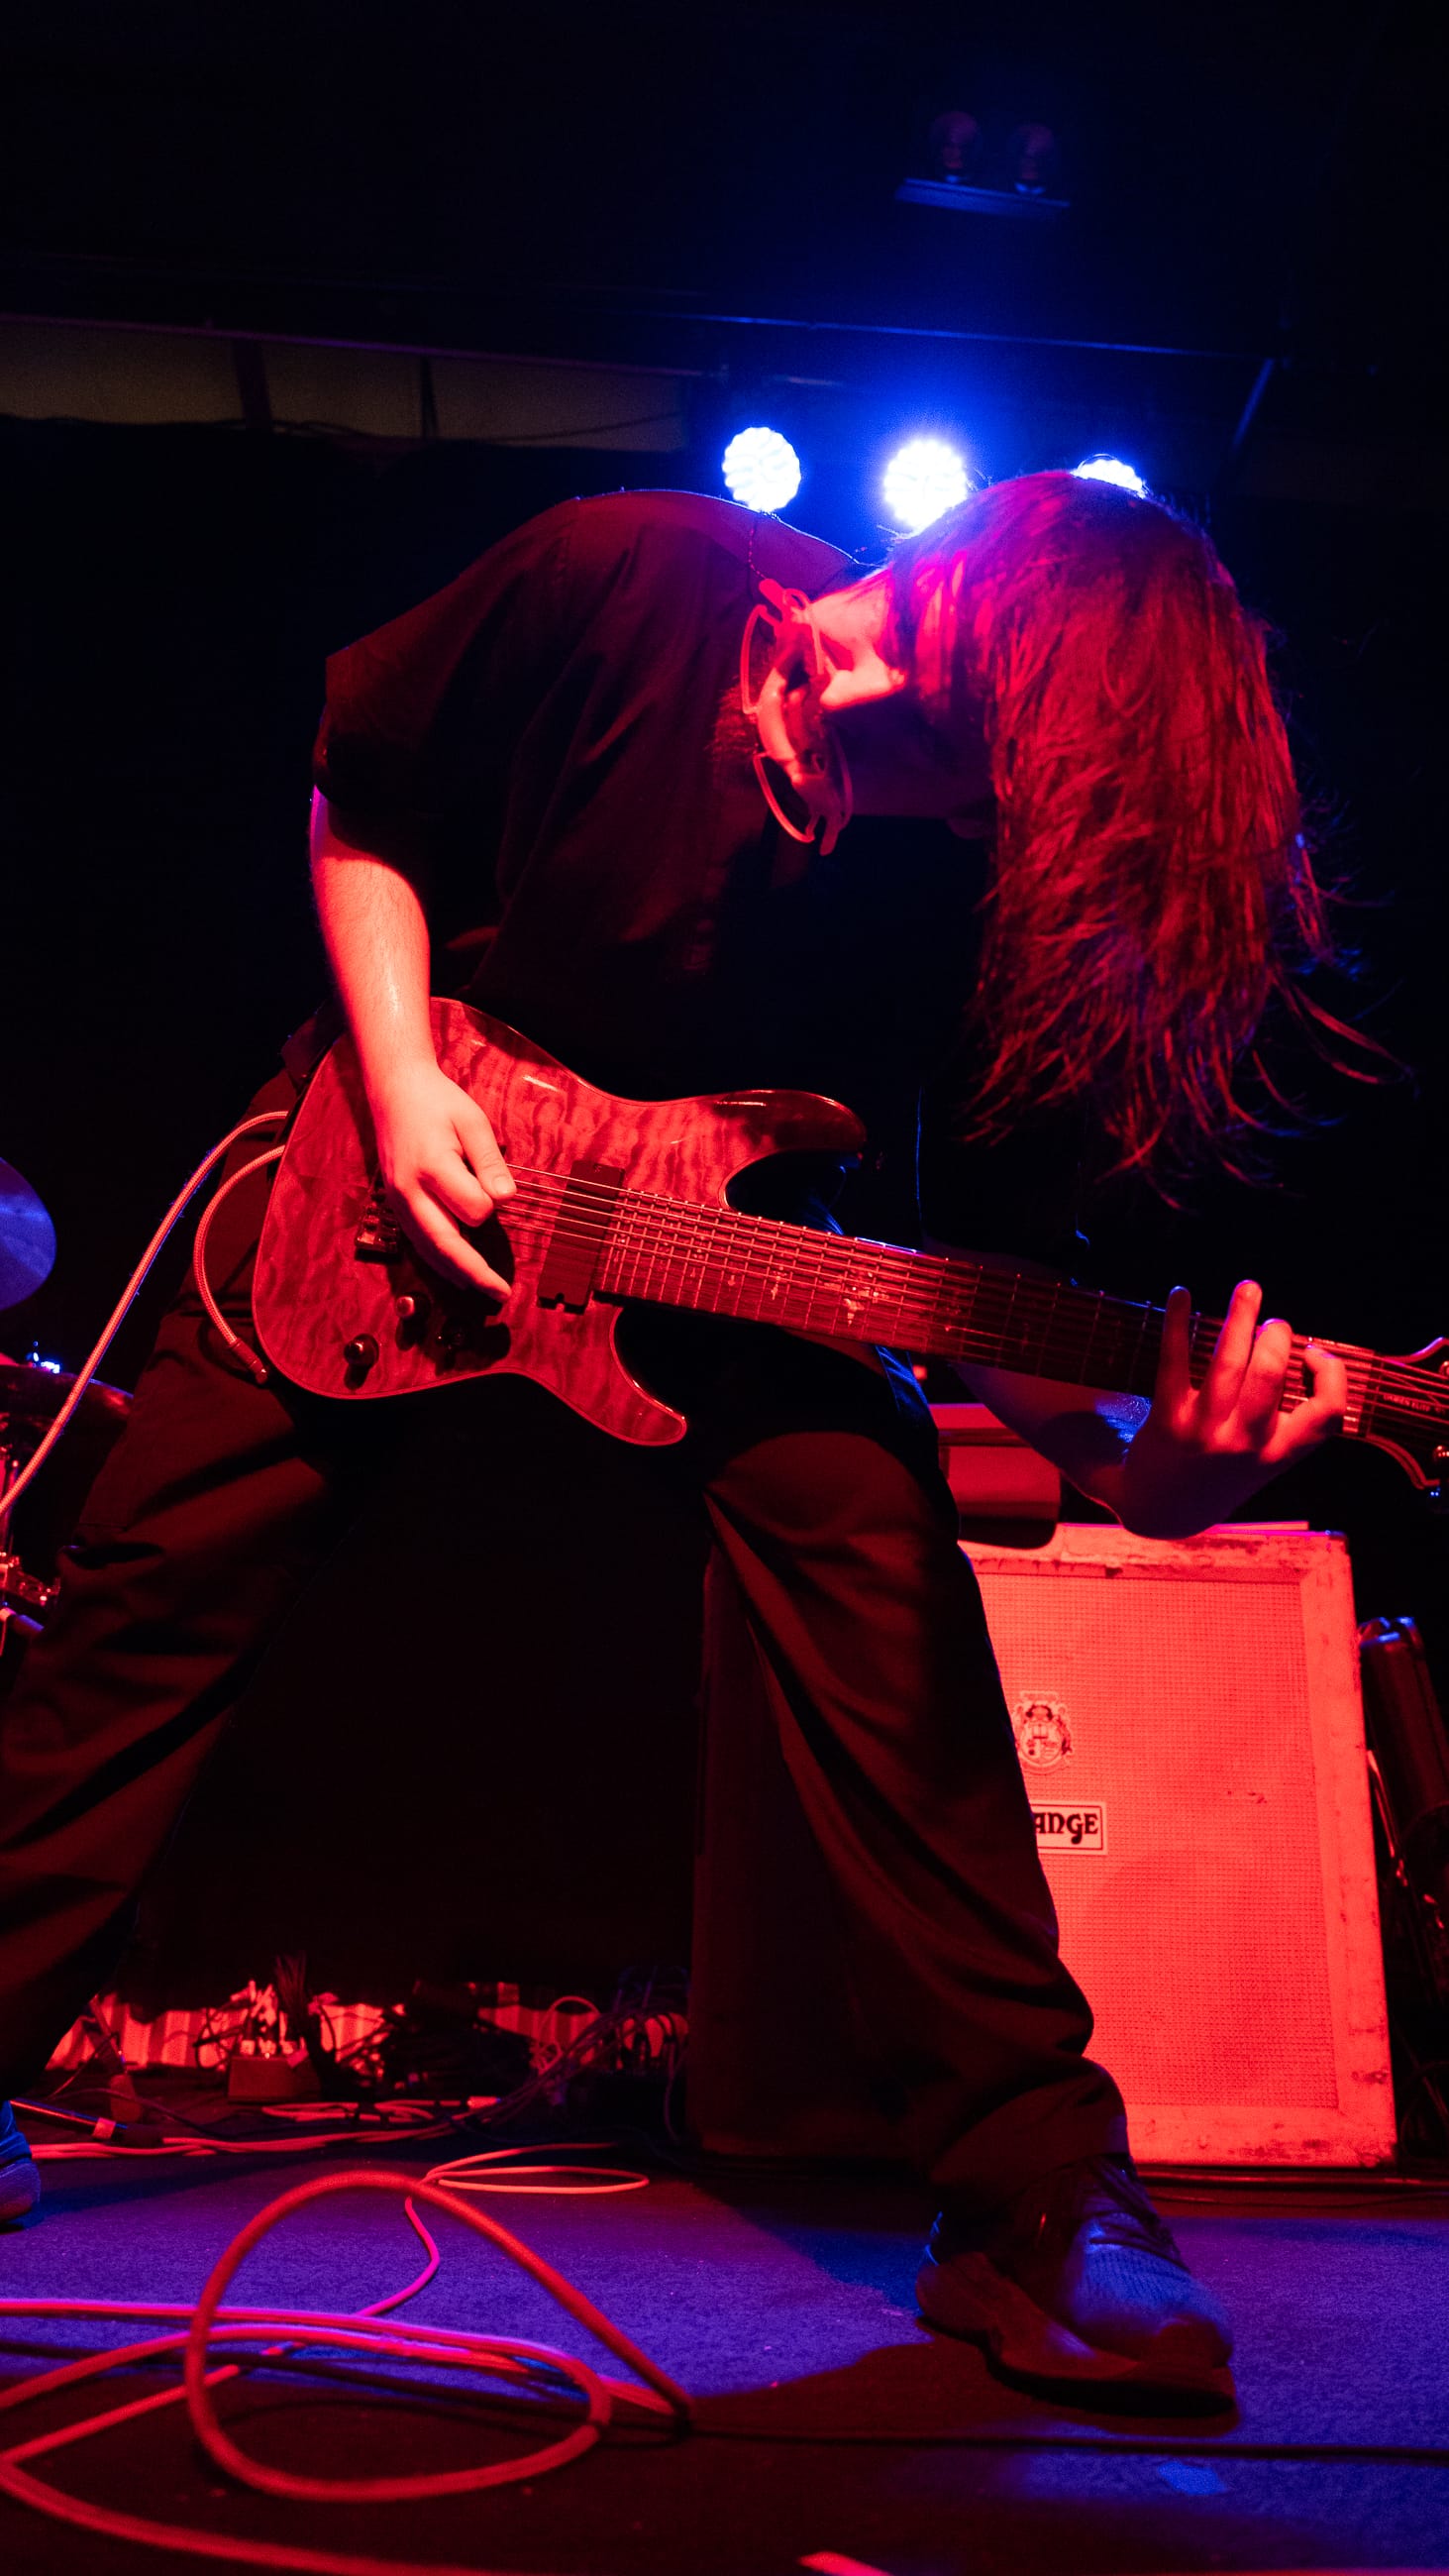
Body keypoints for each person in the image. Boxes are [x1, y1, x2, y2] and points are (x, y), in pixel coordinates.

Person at [0, 474, 1347, 2396]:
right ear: (1000, 659)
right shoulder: (632, 571)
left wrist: (1151, 1476)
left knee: (893, 1617)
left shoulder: (964, 875)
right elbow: (362, 802)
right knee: (145, 1611)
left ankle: (1040, 2197)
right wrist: (402, 1073)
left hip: (734, 1259)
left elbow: (959, 1270)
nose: (997, 824)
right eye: (1009, 778)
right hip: (396, 1165)